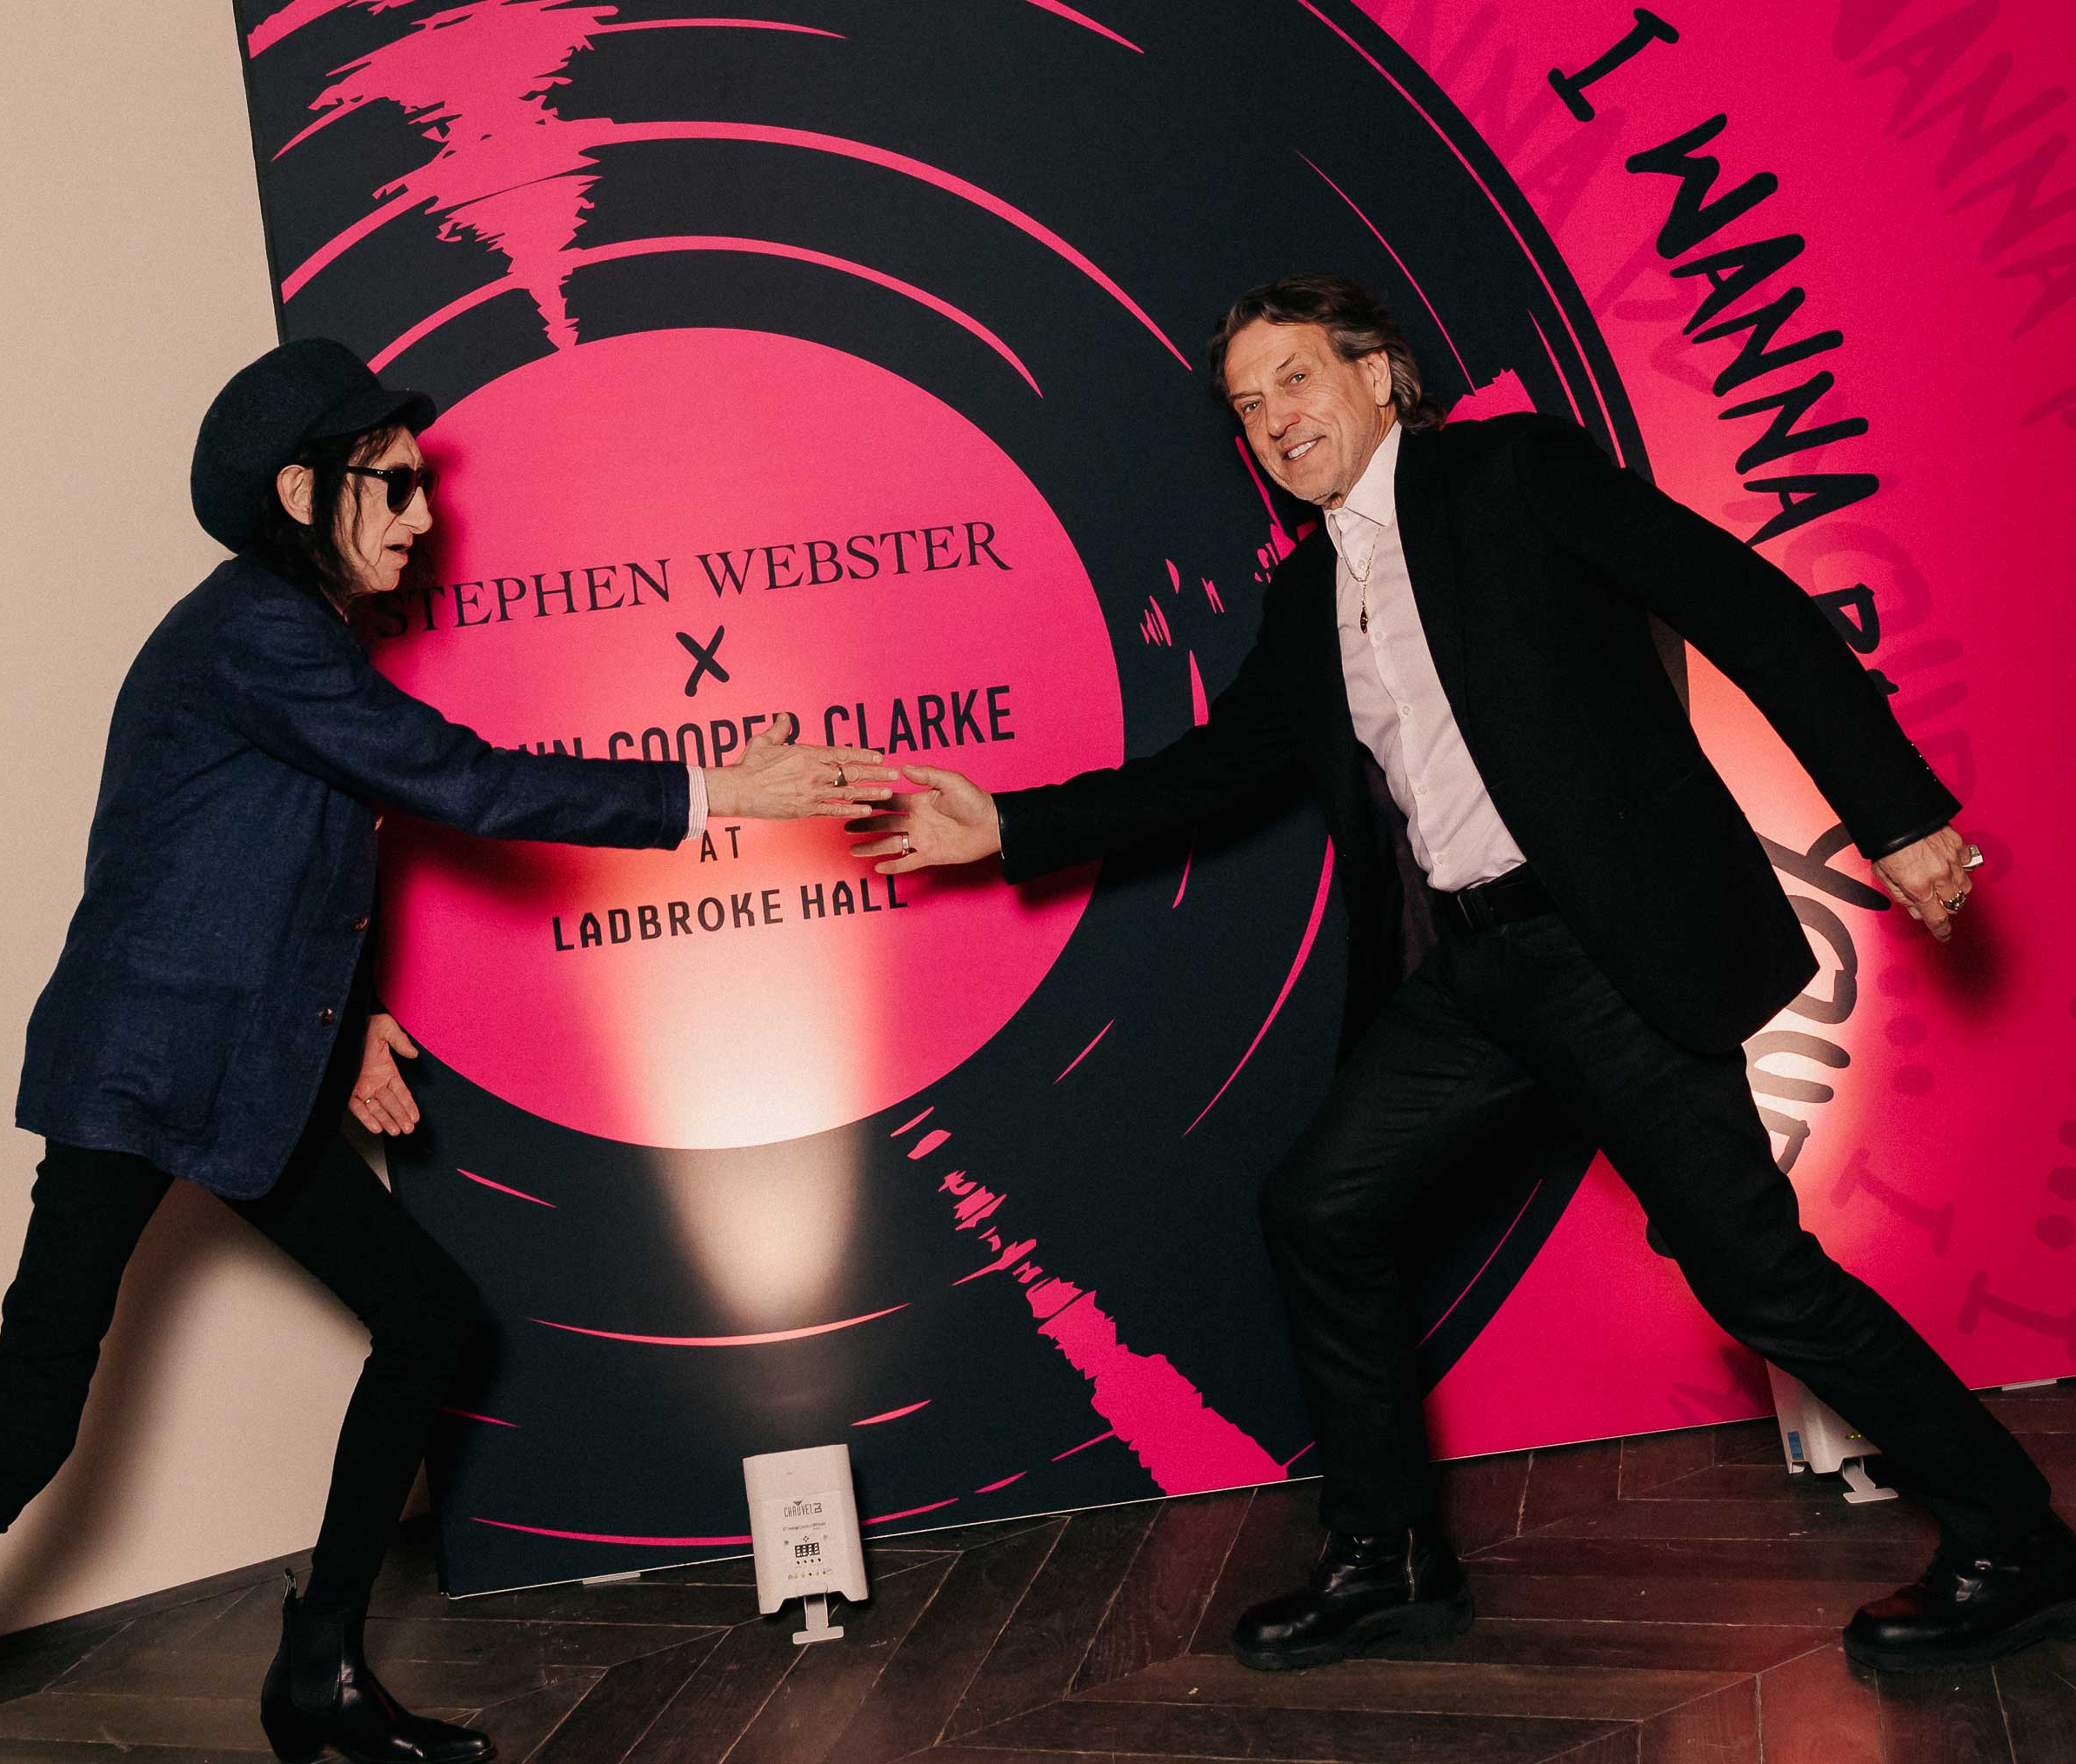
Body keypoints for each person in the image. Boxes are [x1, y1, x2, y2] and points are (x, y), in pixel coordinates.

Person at [847, 274, 2073, 1676]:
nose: (1273, 421)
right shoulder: (1310, 591)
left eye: (1295, 379)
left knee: (1755, 1278)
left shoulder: (1510, 476)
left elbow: (1746, 609)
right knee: (1321, 1208)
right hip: (1471, 970)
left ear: (1380, 373)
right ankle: (1391, 1561)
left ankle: (2015, 1541)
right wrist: (1008, 826)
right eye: (1247, 407)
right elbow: (1217, 766)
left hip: (1610, 951)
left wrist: (1897, 815)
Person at [0, 337, 896, 1763]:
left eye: (425, 485)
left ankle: (319, 1676)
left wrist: (346, 1018)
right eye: (394, 484)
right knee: (28, 1418)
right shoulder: (255, 629)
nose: (425, 515)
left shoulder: (289, 639)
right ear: (303, 492)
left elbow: (250, 851)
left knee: (427, 1316)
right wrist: (716, 789)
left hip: (237, 1067)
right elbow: (455, 780)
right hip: (141, 1068)